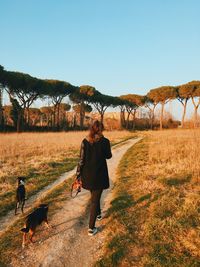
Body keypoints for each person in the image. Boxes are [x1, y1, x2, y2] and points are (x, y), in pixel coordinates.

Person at [76, 120, 112, 236]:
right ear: (101, 130)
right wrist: (104, 144)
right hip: (99, 175)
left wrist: (78, 176)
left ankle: (98, 214)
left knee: (94, 196)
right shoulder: (105, 141)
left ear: (91, 129)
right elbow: (109, 156)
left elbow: (81, 161)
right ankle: (91, 228)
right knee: (95, 200)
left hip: (87, 175)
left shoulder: (85, 141)